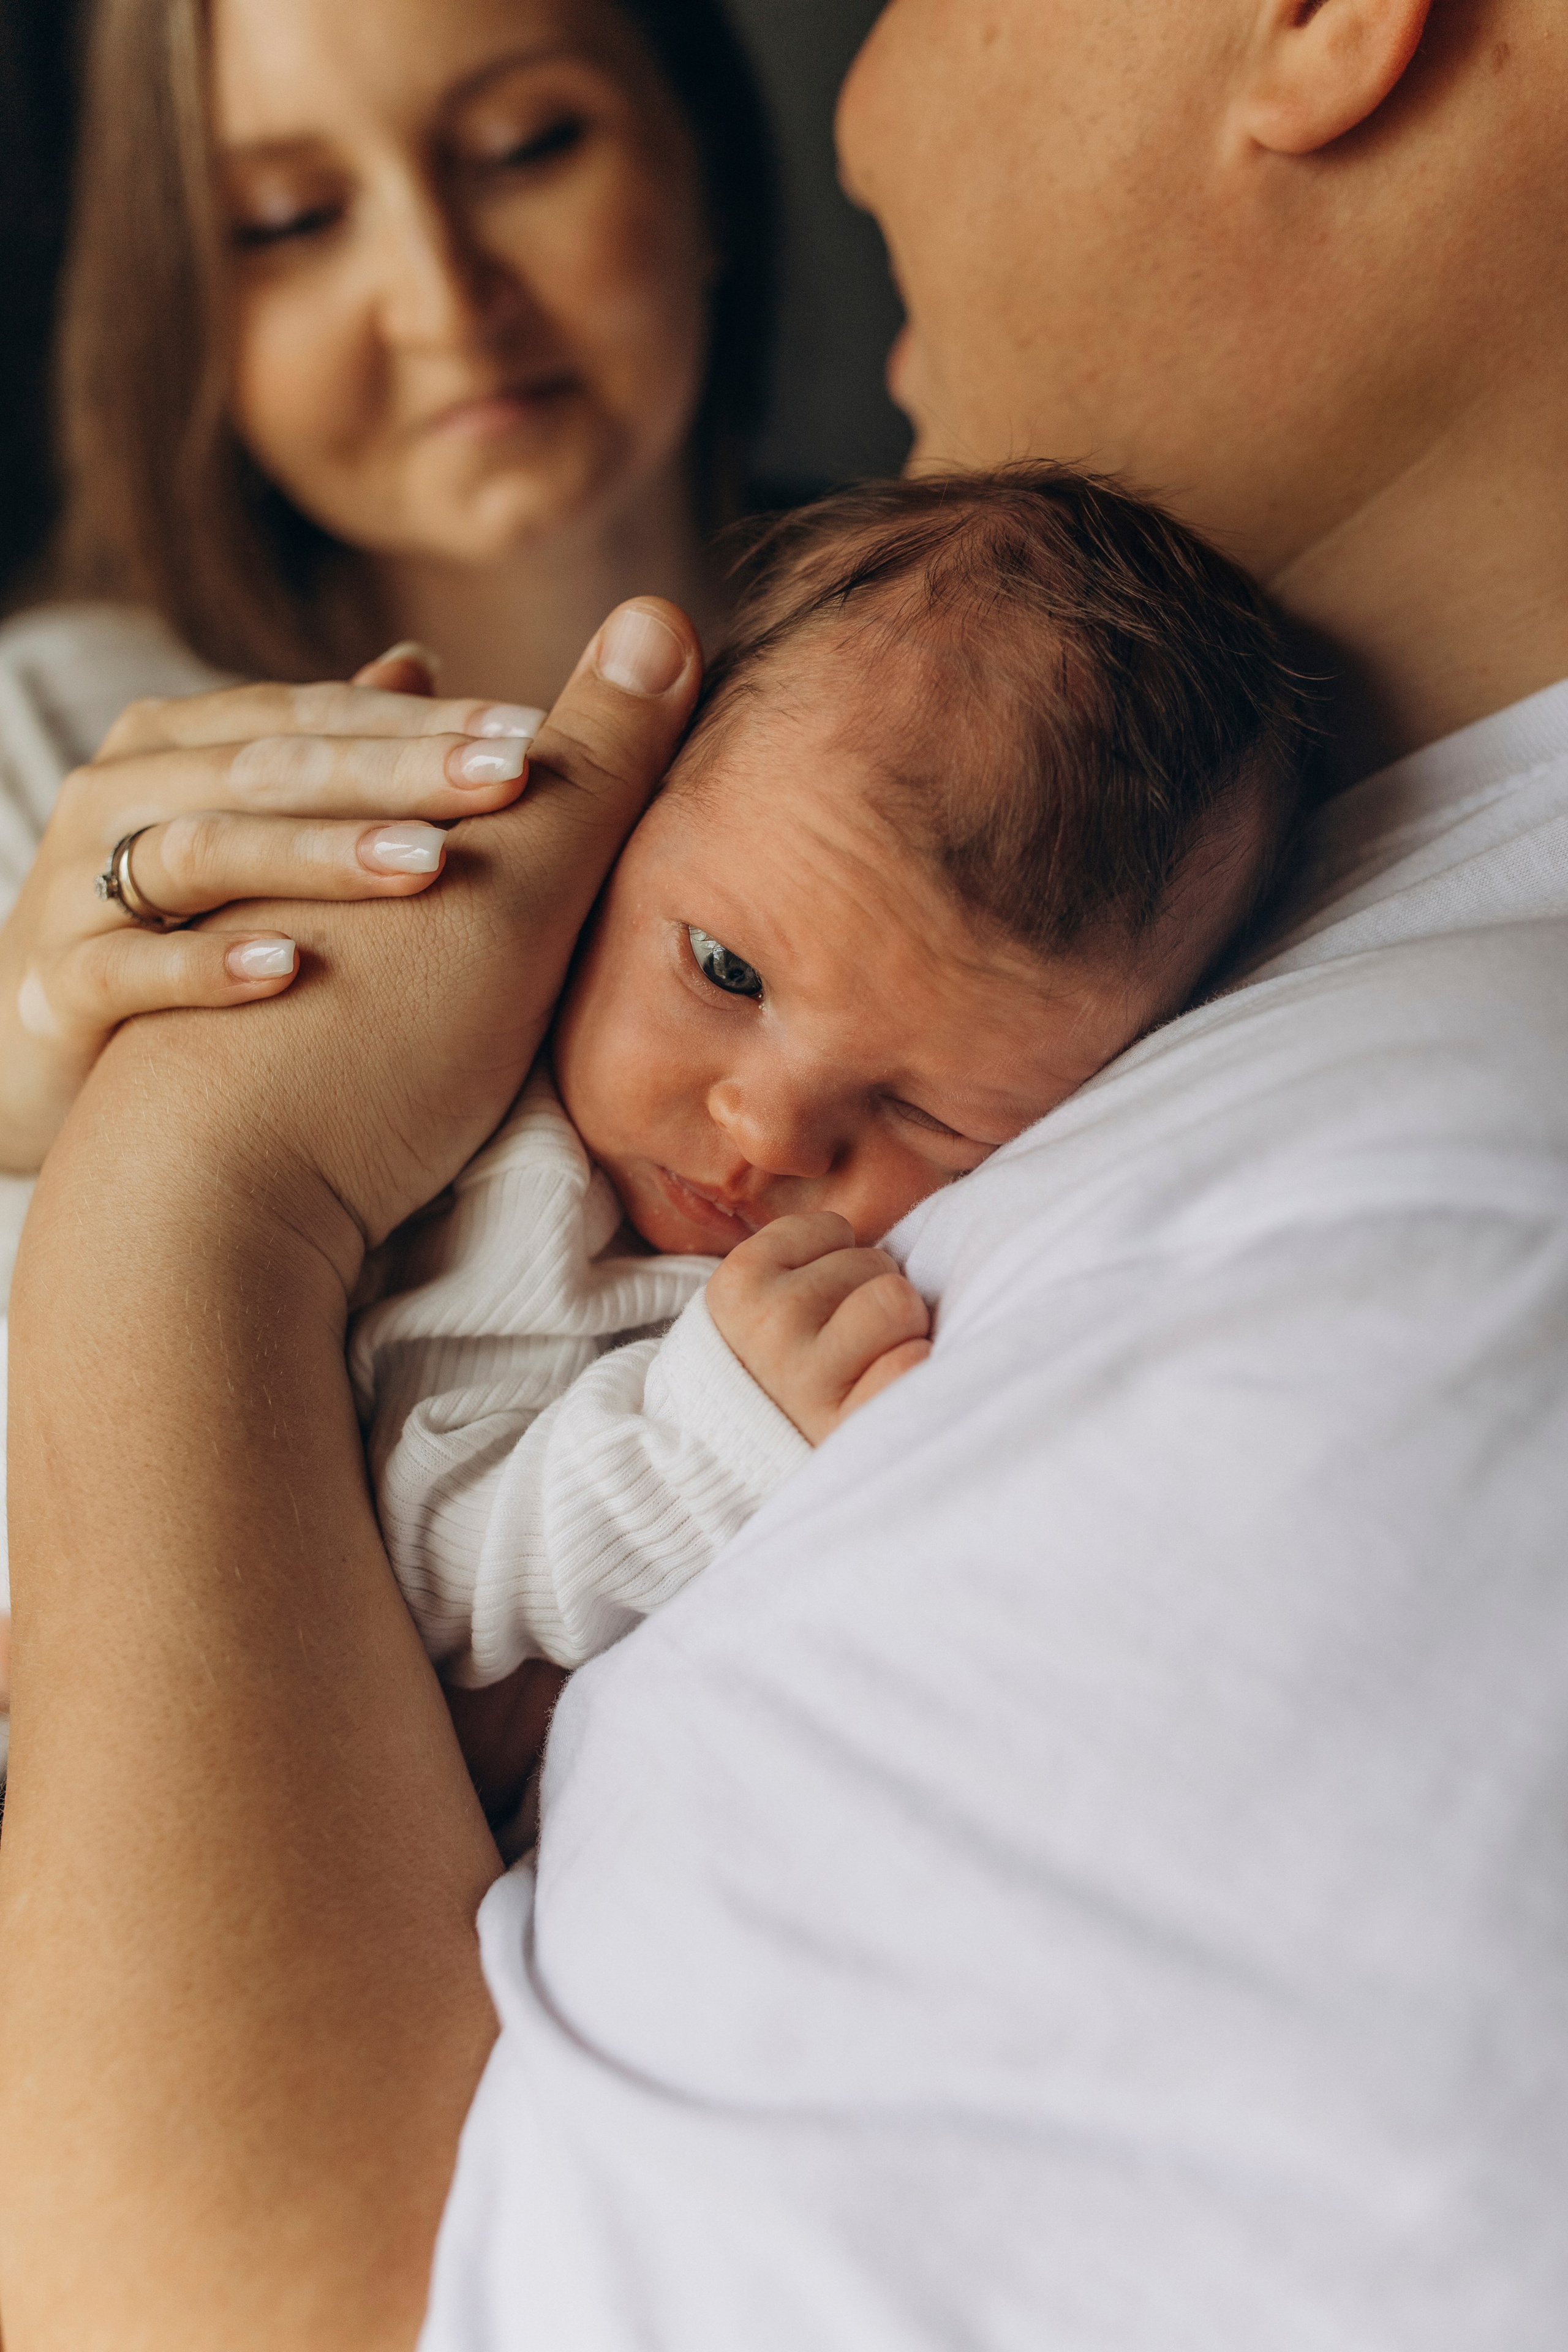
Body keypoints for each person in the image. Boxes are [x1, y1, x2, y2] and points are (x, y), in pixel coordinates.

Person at [2, 0, 1567, 2346]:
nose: (770, 1137)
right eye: (292, 218)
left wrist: (203, 1191)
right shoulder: (157, 785)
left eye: (527, 142)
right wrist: (144, 1141)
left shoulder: (1307, 1110)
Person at [0, 0, 774, 1199]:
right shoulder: (35, 749)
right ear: (182, 304)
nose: (443, 306)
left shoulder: (991, 660)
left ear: (702, 160)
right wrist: (24, 1135)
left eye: (526, 147)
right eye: (287, 222)